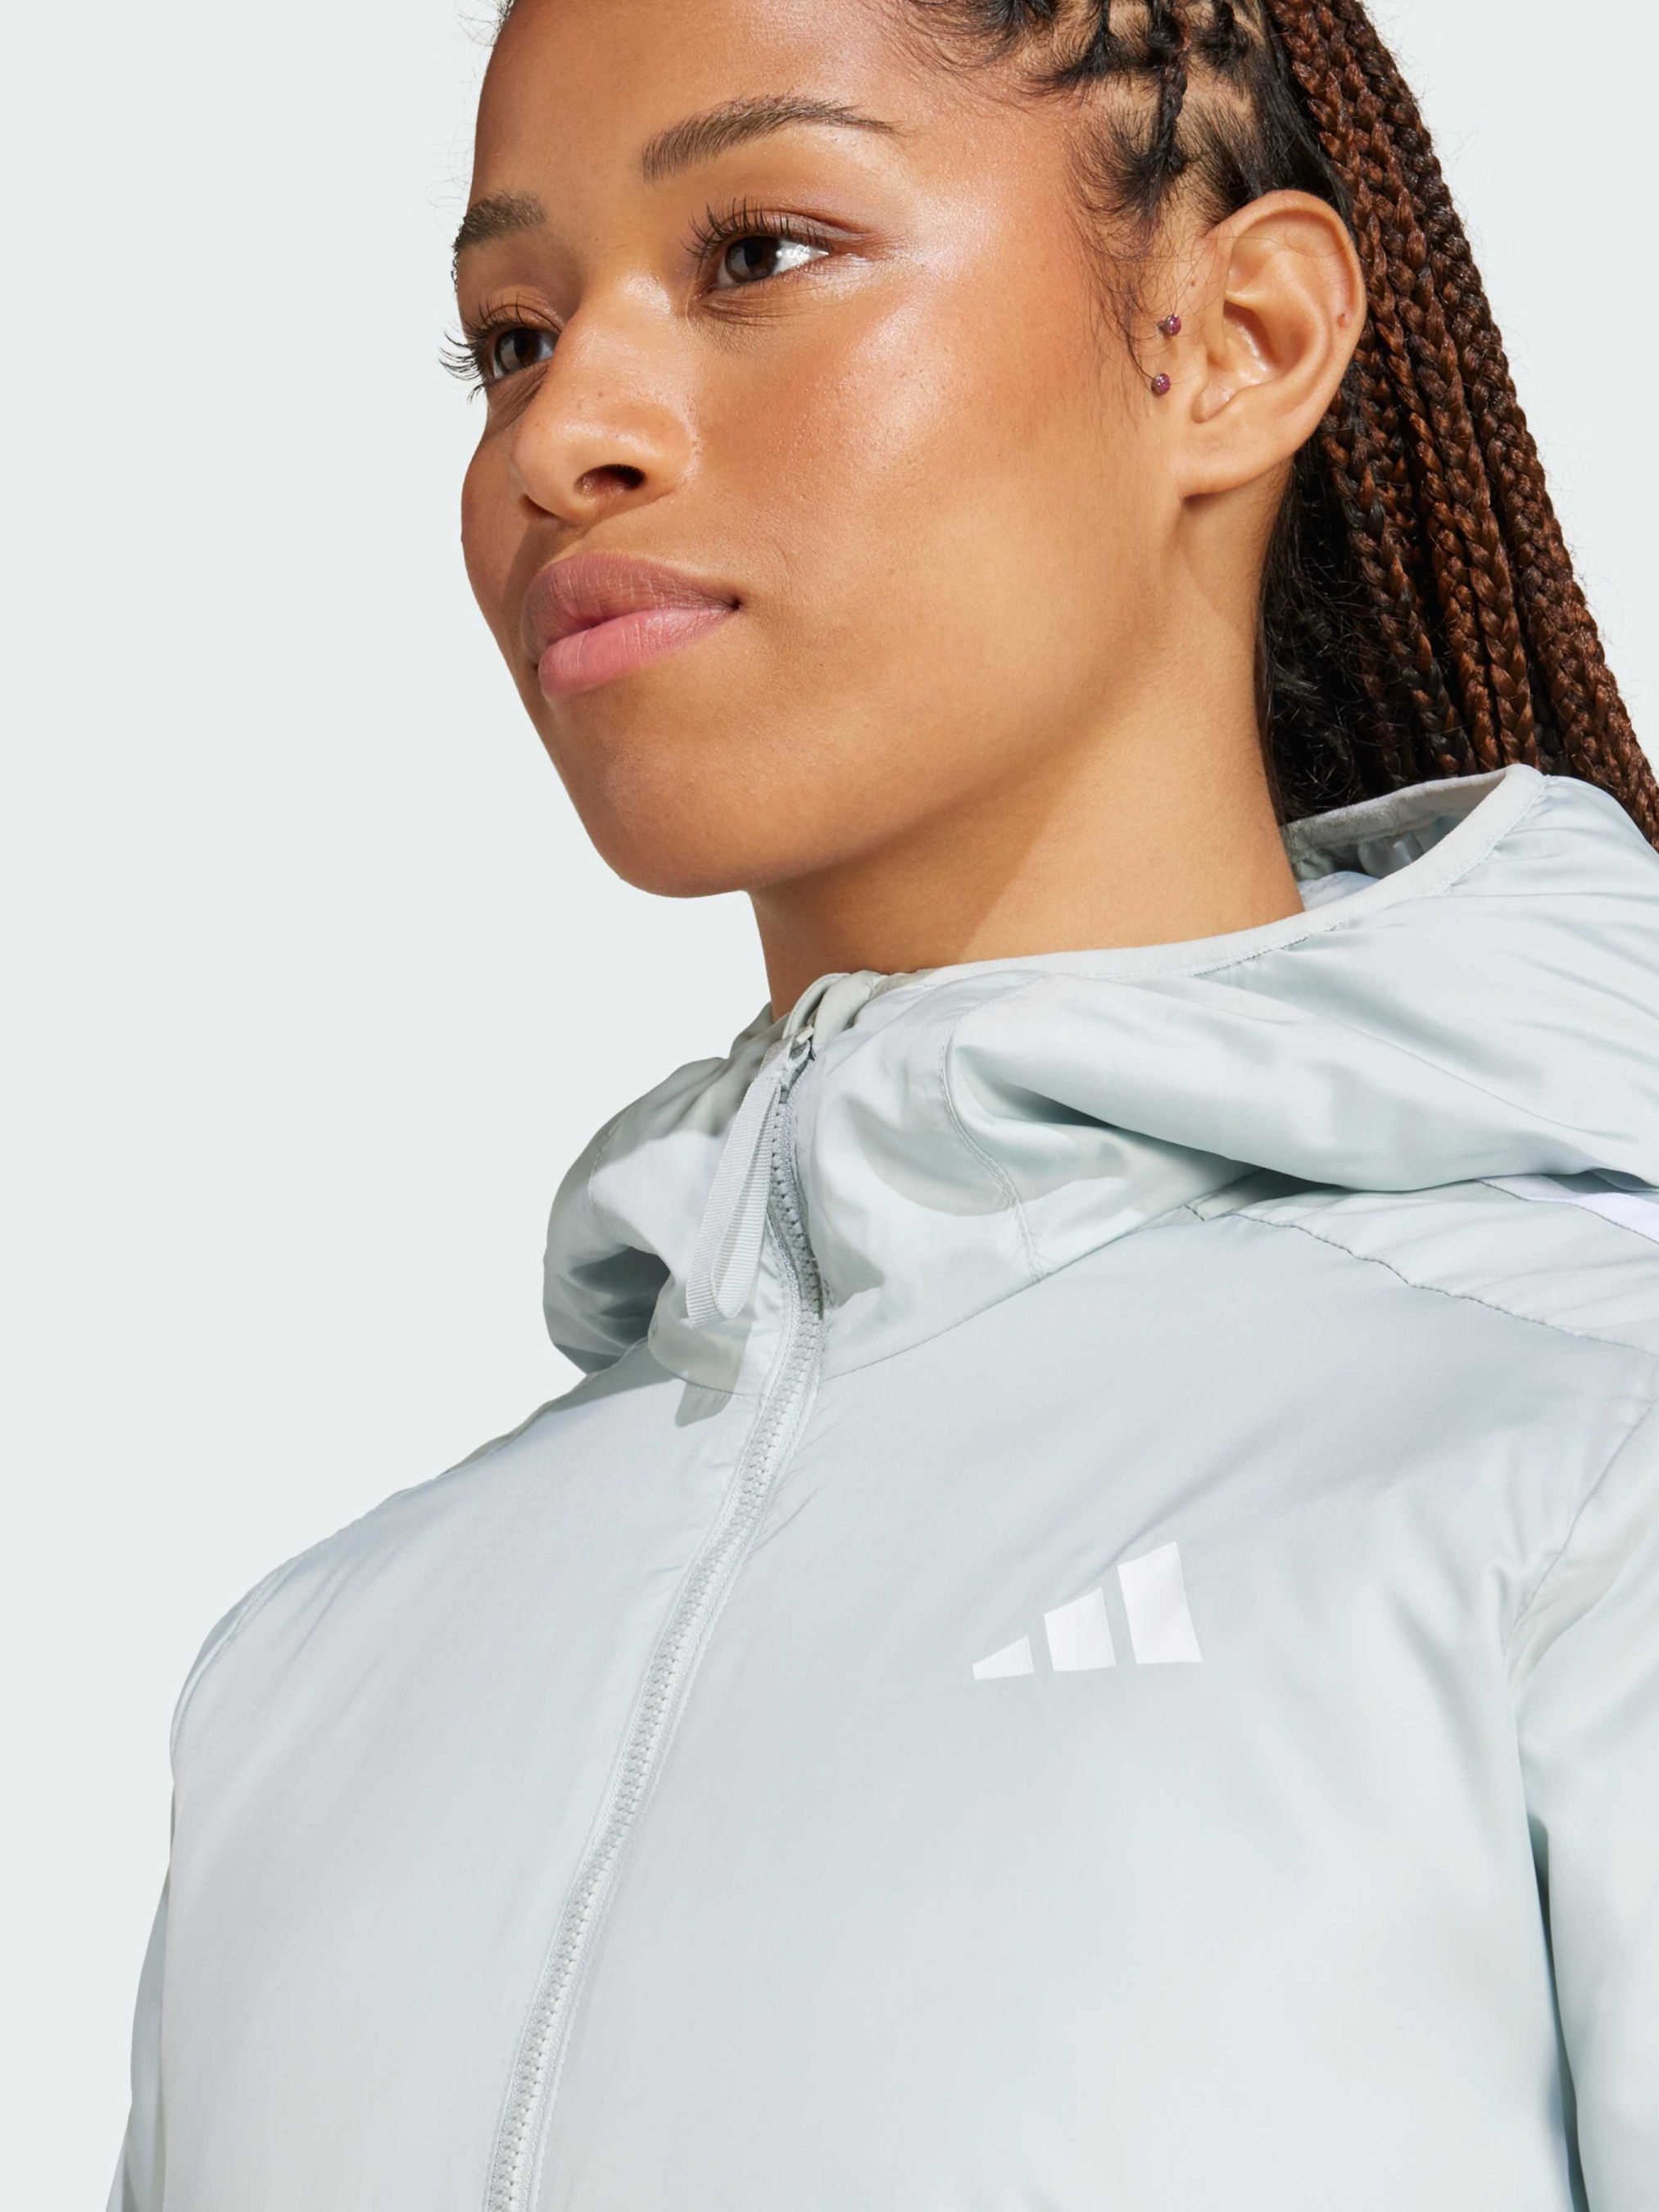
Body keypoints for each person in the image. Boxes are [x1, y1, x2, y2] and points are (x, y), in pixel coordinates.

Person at [109, 2, 1659, 2206]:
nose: (567, 434)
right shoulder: (308, 1683)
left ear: (1233, 340)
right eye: (511, 339)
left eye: (757, 252)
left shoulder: (1590, 1468)